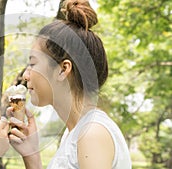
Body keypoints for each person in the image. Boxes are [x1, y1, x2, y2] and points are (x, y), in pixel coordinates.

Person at [8, 0, 132, 169]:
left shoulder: (91, 134)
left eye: (33, 63)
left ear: (63, 69)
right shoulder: (74, 133)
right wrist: (32, 156)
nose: (26, 75)